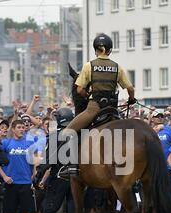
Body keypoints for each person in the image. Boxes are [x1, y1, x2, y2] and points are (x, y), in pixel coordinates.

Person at [58, 33, 136, 176]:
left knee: (67, 132)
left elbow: (80, 89)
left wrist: (88, 97)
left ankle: (72, 166)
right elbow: (130, 89)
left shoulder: (89, 66)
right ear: (110, 50)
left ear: (96, 50)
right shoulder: (117, 67)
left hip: (94, 109)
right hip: (112, 109)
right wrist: (131, 99)